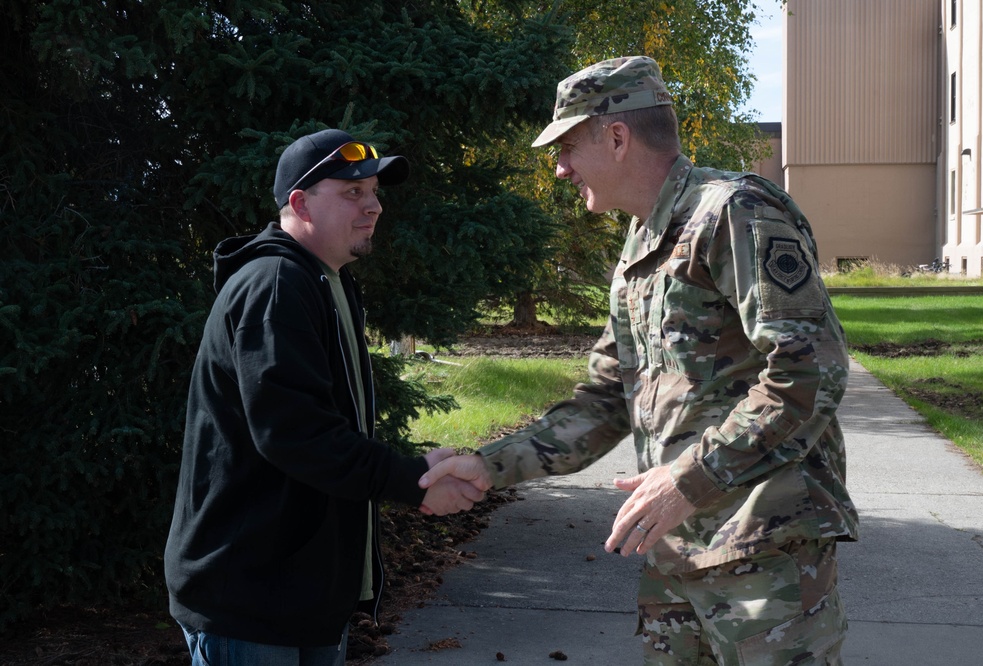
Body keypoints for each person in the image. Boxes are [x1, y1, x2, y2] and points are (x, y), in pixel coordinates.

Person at [420, 56, 860, 665]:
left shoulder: (734, 213)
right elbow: (605, 399)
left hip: (764, 548)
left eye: (568, 147)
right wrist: (488, 466)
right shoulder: (643, 241)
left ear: (617, 136)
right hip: (678, 550)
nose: (559, 167)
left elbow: (810, 369)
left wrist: (688, 480)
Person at [164, 128, 483, 666]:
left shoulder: (324, 282)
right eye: (351, 192)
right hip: (248, 598)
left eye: (375, 192)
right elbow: (295, 432)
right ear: (299, 203)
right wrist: (411, 480)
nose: (374, 206)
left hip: (302, 594)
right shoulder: (274, 284)